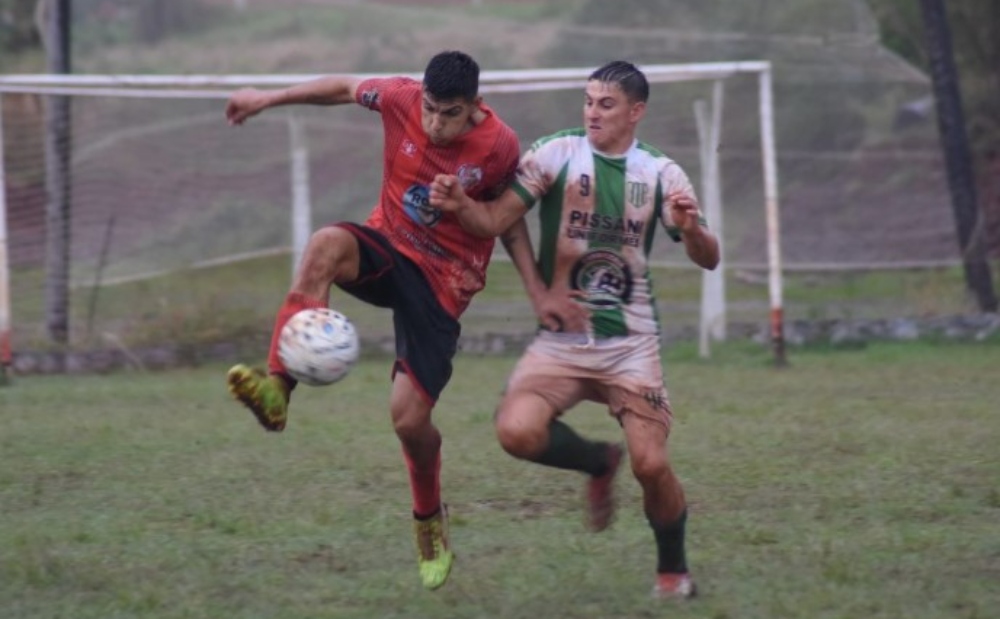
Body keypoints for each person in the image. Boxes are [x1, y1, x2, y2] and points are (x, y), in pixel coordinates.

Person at [223, 50, 521, 591]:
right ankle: (277, 390)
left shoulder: (500, 147)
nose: (435, 123)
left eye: (449, 114)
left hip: (443, 284)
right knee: (325, 245)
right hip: (389, 248)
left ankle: (428, 519)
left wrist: (468, 212)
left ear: (475, 105)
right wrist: (266, 99)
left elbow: (504, 220)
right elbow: (341, 85)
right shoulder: (400, 97)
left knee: (408, 422)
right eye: (429, 109)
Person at [429, 60, 719, 599]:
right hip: (561, 340)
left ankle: (673, 572)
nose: (592, 112)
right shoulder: (554, 153)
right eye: (588, 102)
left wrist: (691, 229)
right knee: (516, 431)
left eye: (606, 104)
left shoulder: (661, 173)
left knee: (652, 465)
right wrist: (461, 204)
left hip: (630, 343)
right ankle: (597, 462)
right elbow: (493, 222)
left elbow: (709, 257)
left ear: (636, 111)